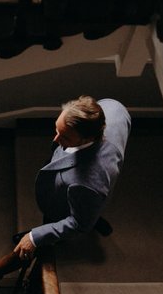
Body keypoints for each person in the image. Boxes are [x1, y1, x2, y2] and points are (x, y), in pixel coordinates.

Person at [12, 96, 130, 261]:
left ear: (87, 138)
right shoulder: (113, 109)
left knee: (76, 217)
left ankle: (87, 219)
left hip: (66, 202)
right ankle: (93, 215)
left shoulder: (86, 183)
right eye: (57, 129)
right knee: (88, 208)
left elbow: (78, 224)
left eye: (65, 137)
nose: (56, 139)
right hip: (91, 195)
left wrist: (34, 237)